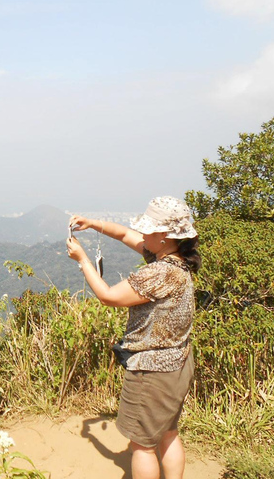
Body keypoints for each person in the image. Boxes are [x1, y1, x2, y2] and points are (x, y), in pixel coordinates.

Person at [66, 196, 201, 479]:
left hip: (152, 371)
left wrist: (82, 260)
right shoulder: (177, 262)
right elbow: (126, 234)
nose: (143, 234)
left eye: (149, 229)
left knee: (141, 445)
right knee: (167, 432)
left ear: (164, 236)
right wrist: (93, 224)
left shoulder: (159, 273)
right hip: (178, 362)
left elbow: (108, 296)